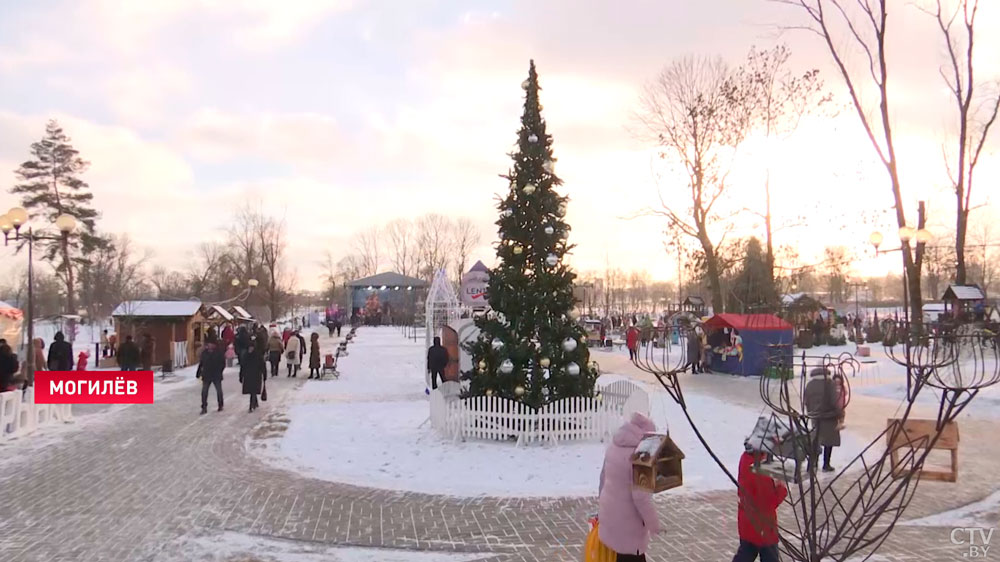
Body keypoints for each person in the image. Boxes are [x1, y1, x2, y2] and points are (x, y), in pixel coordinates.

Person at [598, 412, 661, 561]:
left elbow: (602, 479)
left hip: (611, 516)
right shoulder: (641, 457)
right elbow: (641, 498)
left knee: (620, 556)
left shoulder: (614, 446)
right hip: (630, 527)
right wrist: (654, 525)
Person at [732, 448, 787, 562]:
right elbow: (768, 503)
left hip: (747, 520)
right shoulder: (760, 470)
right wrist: (782, 488)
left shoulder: (746, 458)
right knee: (769, 557)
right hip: (763, 525)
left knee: (747, 552)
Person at [804, 367, 842, 472]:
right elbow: (834, 401)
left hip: (815, 417)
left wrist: (811, 413)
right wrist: (839, 413)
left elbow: (806, 402)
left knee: (816, 440)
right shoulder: (830, 384)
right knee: (828, 442)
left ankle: (813, 464)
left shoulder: (809, 385)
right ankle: (826, 464)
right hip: (829, 417)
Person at [196, 335, 226, 415]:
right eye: (207, 344)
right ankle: (204, 407)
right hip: (207, 375)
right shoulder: (204, 353)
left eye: (210, 344)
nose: (208, 346)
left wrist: (220, 371)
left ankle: (220, 404)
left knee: (219, 390)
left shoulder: (219, 353)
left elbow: (223, 363)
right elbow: (201, 363)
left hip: (216, 374)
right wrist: (198, 373)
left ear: (214, 345)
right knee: (204, 391)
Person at [240, 343, 266, 412]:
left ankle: (251, 406)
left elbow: (263, 365)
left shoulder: (258, 355)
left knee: (253, 391)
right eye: (249, 348)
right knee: (252, 391)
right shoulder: (246, 355)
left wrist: (264, 375)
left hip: (256, 375)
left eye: (252, 348)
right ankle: (255, 402)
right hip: (248, 375)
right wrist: (241, 376)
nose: (250, 349)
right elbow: (242, 366)